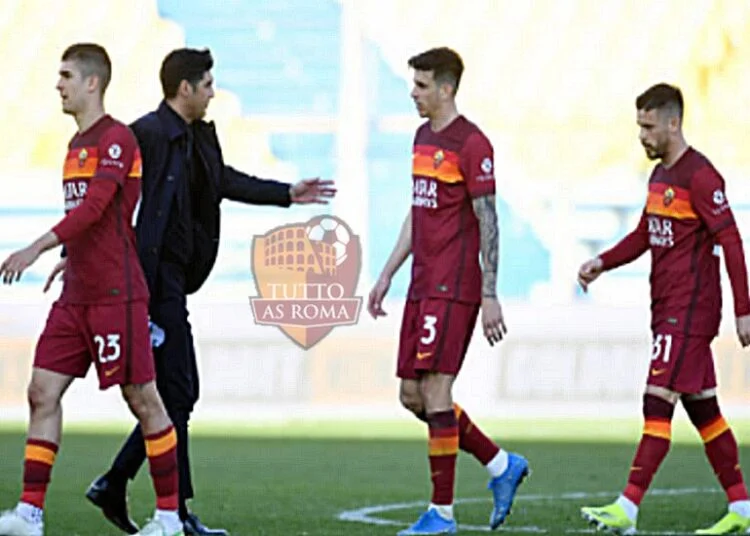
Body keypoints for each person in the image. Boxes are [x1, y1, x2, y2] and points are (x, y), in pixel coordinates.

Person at [83, 48, 336, 536]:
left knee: (177, 394)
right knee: (178, 392)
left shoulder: (197, 138)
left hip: (174, 281)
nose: (213, 92)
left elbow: (223, 182)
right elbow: (107, 199)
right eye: (207, 84)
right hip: (151, 285)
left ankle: (118, 484)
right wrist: (82, 254)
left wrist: (287, 193)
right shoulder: (146, 135)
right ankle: (168, 510)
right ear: (185, 88)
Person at [0, 43, 184, 536]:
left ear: (91, 83)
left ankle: (168, 518)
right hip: (76, 293)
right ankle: (29, 515)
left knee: (143, 399)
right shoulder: (73, 145)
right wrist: (68, 257)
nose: (57, 84)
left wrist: (37, 247)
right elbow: (94, 225)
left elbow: (97, 209)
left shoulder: (118, 139)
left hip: (115, 296)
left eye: (65, 75)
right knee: (42, 392)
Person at [367, 47, 529, 535]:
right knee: (412, 396)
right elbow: (419, 213)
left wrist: (492, 292)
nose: (412, 93)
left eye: (420, 85)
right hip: (421, 284)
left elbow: (488, 221)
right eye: (412, 83)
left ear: (446, 88)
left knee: (438, 389)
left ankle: (442, 514)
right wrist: (387, 273)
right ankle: (501, 465)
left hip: (454, 285)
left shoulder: (473, 144)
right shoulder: (420, 138)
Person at [578, 83, 750, 535]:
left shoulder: (701, 176)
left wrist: (743, 310)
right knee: (704, 411)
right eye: (639, 126)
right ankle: (742, 510)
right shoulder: (659, 178)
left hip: (690, 311)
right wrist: (603, 262)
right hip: (667, 308)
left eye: (649, 126)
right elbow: (643, 235)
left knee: (656, 402)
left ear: (674, 123)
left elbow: (731, 242)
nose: (642, 136)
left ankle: (627, 509)